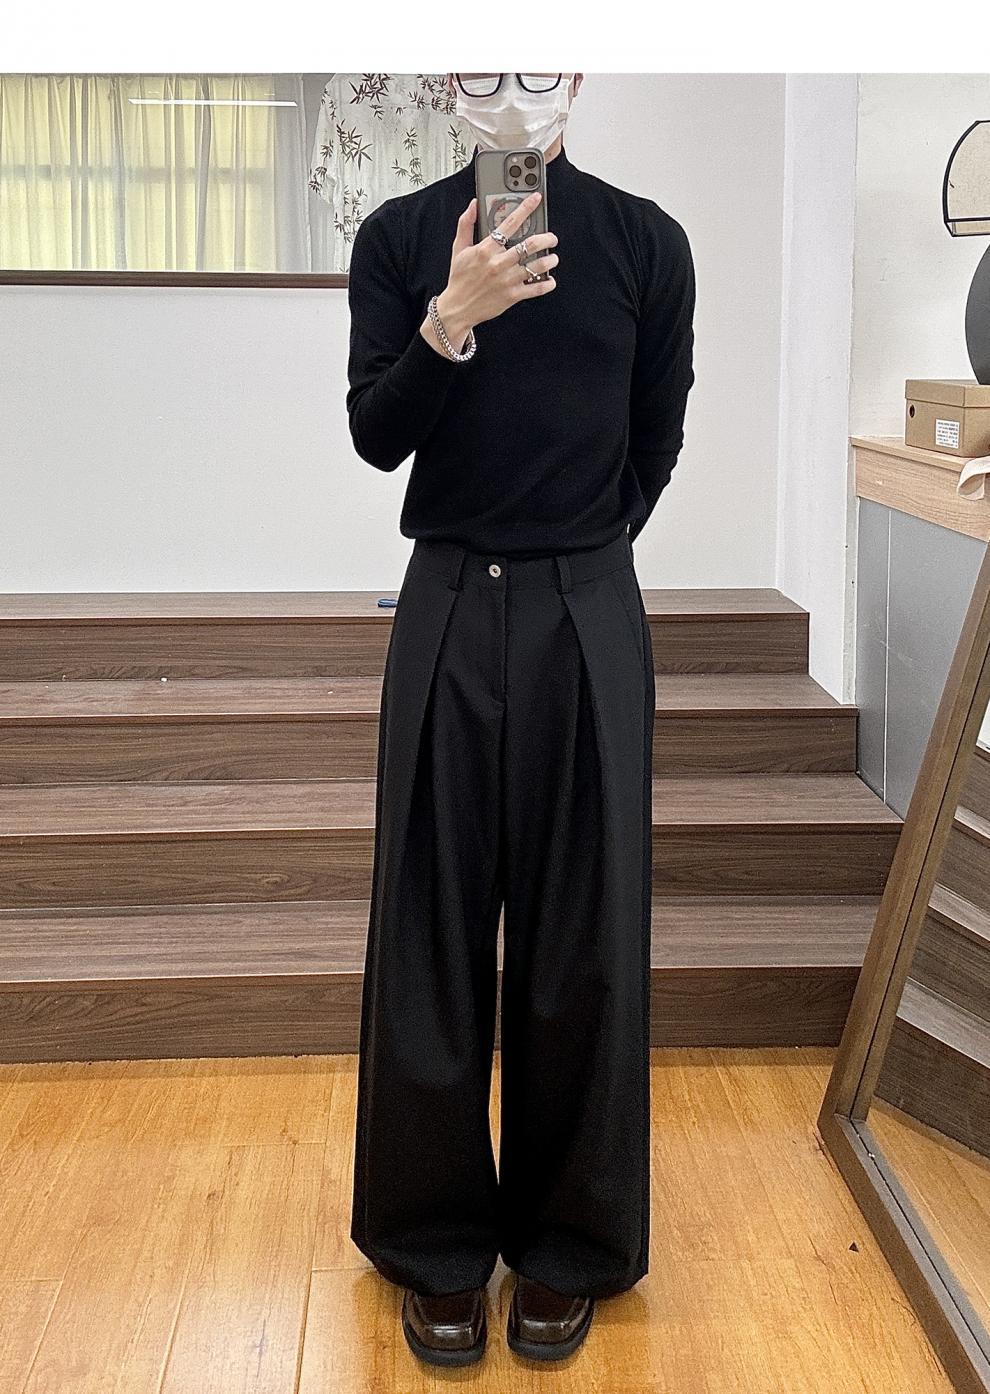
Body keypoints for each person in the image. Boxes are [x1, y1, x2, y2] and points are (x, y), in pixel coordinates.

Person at [345, 71, 695, 1367]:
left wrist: (579, 561)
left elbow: (652, 440)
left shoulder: (646, 242)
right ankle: (432, 1243)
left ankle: (571, 1242)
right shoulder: (398, 239)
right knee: (428, 925)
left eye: (537, 64)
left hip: (584, 600)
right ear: (450, 83)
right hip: (445, 595)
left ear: (577, 76)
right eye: (486, 66)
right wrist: (449, 322)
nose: (513, 92)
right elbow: (374, 435)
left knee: (583, 934)